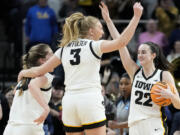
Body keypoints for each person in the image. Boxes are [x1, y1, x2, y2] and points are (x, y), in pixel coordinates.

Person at [17, 2, 143, 135]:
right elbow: (122, 42)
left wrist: (23, 72)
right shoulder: (94, 45)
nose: (102, 32)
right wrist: (136, 17)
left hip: (70, 102)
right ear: (91, 31)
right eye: (100, 28)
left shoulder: (64, 49)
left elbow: (38, 71)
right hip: (89, 100)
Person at [101, 2, 180, 135]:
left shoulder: (163, 75)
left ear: (153, 55)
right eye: (138, 52)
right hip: (135, 127)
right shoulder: (134, 71)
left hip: (154, 126)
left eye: (144, 52)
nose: (140, 55)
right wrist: (108, 21)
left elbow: (178, 105)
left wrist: (171, 95)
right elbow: (120, 43)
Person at [3, 44, 54, 135]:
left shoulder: (23, 78)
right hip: (30, 127)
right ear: (42, 60)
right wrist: (46, 108)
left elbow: (15, 92)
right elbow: (33, 85)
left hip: (10, 128)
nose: (54, 56)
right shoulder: (46, 76)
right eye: (51, 54)